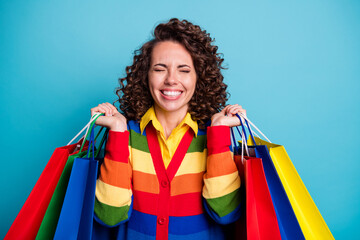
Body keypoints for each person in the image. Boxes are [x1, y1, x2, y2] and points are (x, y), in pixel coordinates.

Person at [90, 18, 246, 240]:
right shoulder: (125, 135)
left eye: (184, 70)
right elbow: (109, 215)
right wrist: (117, 130)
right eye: (160, 69)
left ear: (198, 78)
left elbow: (226, 212)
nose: (171, 80)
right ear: (146, 76)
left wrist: (220, 131)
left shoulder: (215, 136)